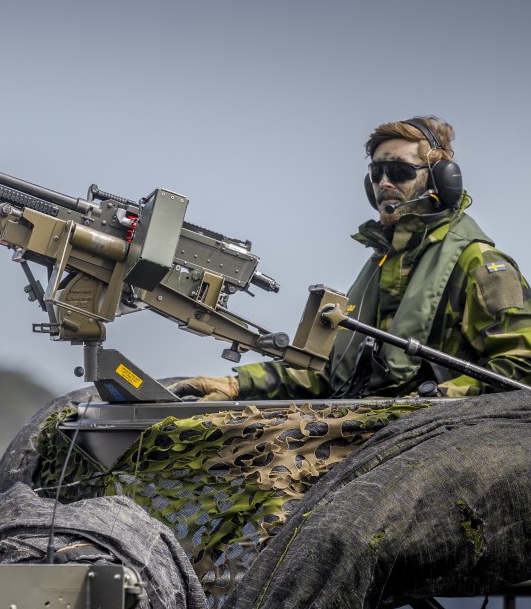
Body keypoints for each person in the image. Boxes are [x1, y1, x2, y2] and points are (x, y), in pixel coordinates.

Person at [175, 115, 531, 401]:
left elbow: (521, 366)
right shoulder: (383, 263)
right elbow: (332, 374)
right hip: (368, 425)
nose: (384, 183)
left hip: (435, 439)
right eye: (377, 172)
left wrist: (437, 400)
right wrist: (238, 386)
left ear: (442, 181)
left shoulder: (482, 266)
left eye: (401, 172)